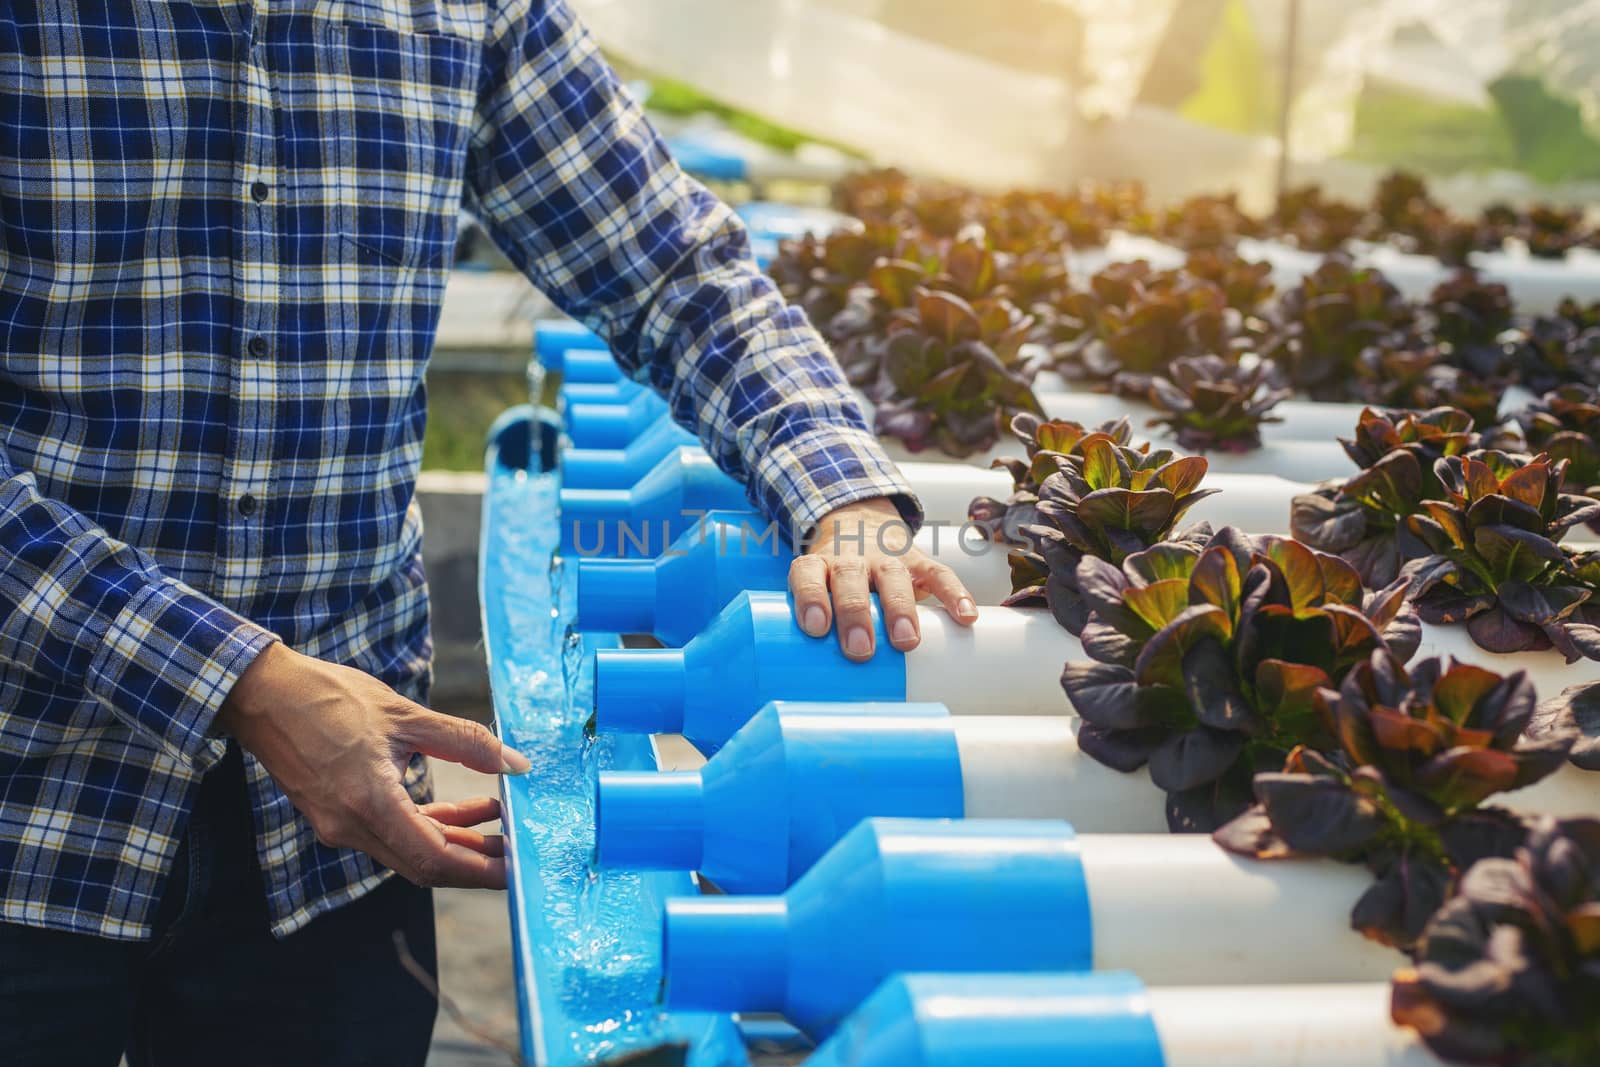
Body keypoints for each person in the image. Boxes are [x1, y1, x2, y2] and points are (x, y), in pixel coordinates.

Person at [0, 2, 977, 1064]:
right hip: (36, 792)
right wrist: (242, 679)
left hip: (331, 840)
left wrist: (838, 491)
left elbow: (671, 272)